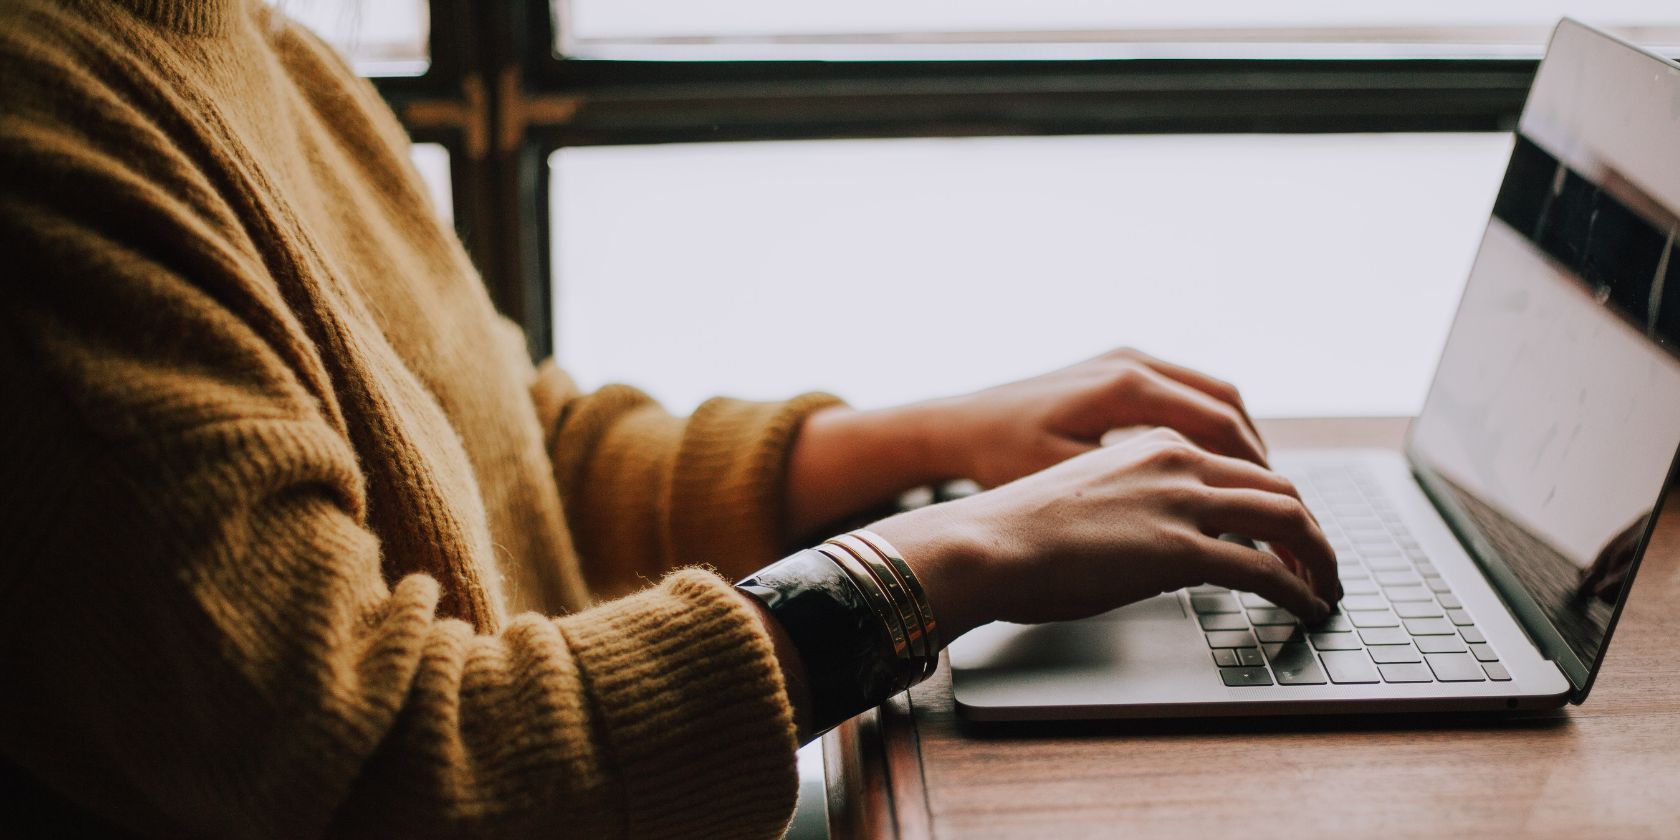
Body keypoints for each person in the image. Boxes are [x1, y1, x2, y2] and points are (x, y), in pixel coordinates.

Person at [0, 1, 1340, 836]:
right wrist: (946, 561)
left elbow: (515, 455)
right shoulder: (45, 153)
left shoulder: (245, 42)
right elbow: (397, 778)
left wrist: (928, 442)